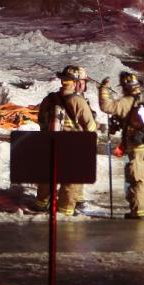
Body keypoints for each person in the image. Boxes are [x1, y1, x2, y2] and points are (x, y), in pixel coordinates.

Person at [99, 71, 144, 218]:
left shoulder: (124, 102)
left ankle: (138, 211)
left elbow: (107, 107)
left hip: (137, 150)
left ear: (125, 87)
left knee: (138, 181)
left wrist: (103, 89)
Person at [34, 65, 98, 215]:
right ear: (75, 83)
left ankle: (41, 203)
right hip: (72, 149)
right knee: (70, 181)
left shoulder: (49, 99)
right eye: (82, 81)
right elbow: (90, 127)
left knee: (48, 177)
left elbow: (41, 121)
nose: (84, 84)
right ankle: (65, 210)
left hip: (50, 145)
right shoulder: (79, 101)